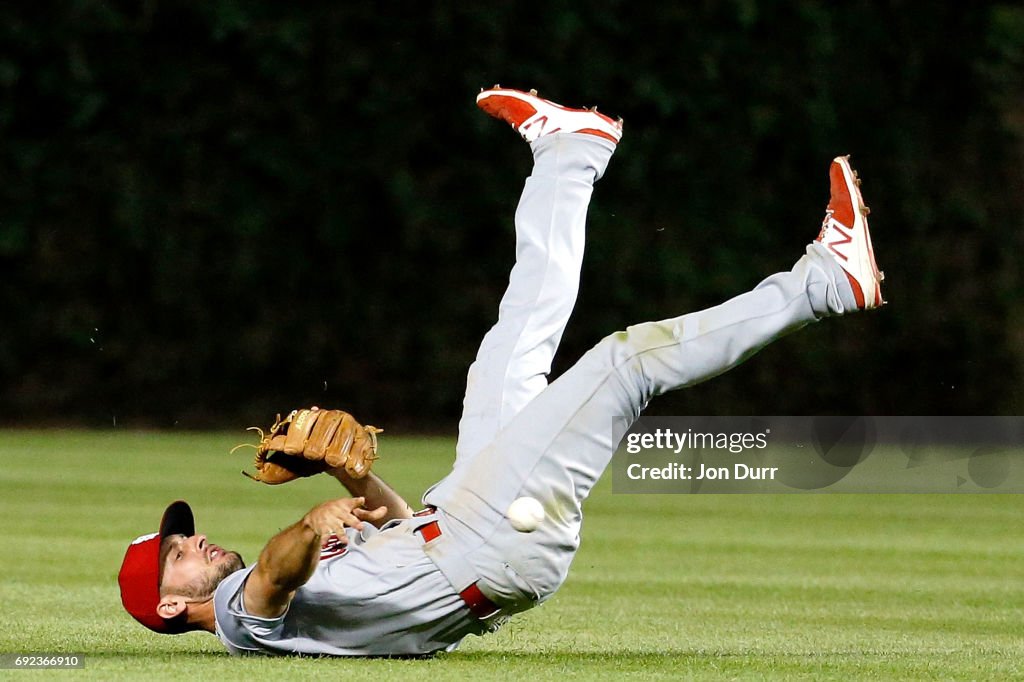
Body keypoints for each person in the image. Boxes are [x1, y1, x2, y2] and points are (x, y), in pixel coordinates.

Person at [118, 86, 884, 656]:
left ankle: (571, 153)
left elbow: (394, 523)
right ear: (169, 608)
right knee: (623, 362)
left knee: (511, 348)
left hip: (462, 523)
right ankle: (826, 281)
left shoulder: (292, 599)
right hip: (488, 542)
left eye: (183, 539)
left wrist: (352, 488)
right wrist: (309, 524)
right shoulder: (235, 622)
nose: (199, 544)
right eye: (178, 557)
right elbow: (275, 578)